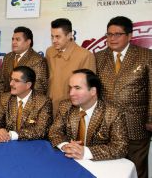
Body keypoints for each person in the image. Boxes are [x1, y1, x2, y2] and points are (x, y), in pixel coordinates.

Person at [95, 16, 152, 178]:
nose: (112, 38)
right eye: (109, 34)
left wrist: (151, 118)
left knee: (137, 168)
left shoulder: (146, 56)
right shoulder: (98, 57)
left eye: (117, 34)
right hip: (107, 126)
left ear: (129, 35)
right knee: (110, 169)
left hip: (136, 124)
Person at [49, 69, 128, 161]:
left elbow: (121, 147)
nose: (71, 93)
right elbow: (54, 132)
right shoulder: (65, 106)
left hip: (100, 164)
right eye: (70, 88)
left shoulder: (113, 112)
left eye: (77, 88)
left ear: (93, 91)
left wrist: (86, 152)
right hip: (69, 160)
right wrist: (65, 146)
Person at [0, 66, 52, 143]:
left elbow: (41, 130)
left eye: (16, 81)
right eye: (11, 79)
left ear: (28, 85)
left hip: (32, 146)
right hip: (7, 145)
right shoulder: (5, 97)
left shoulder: (43, 101)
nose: (11, 83)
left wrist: (10, 135)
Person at [46, 18, 96, 116]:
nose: (54, 40)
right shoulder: (50, 52)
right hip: (49, 108)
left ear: (69, 35)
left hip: (72, 110)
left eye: (58, 37)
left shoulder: (85, 55)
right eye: (52, 37)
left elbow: (88, 90)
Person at [0, 26, 48, 95]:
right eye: (13, 39)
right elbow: (1, 81)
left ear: (28, 42)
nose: (14, 42)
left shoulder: (38, 60)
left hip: (27, 103)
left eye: (17, 39)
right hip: (7, 101)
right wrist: (1, 100)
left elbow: (39, 88)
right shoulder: (7, 57)